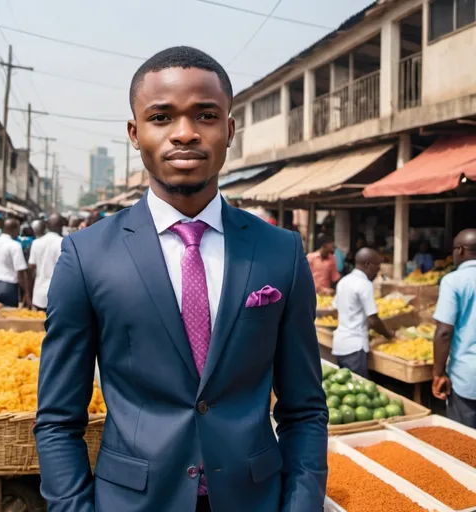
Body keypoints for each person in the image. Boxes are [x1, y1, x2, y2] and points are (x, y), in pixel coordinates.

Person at [35, 46, 327, 512]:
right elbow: (57, 420)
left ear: (229, 130)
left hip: (254, 498)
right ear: (135, 132)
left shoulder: (281, 253)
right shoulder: (87, 256)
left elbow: (305, 409)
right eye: (161, 117)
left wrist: (301, 505)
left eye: (206, 115)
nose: (185, 134)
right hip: (132, 500)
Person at [432, 229, 476, 428]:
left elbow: (444, 332)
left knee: (464, 444)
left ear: (459, 250)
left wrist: (438, 373)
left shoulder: (453, 281)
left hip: (467, 377)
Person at [332, 248, 393, 378]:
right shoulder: (364, 284)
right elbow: (373, 319)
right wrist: (389, 335)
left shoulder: (344, 281)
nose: (378, 270)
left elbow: (339, 309)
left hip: (340, 344)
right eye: (377, 265)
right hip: (355, 348)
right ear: (367, 264)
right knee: (358, 389)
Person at [0, 219, 31, 308]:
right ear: (14, 229)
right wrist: (27, 293)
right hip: (9, 288)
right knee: (8, 318)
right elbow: (20, 271)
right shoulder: (15, 245)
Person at [28, 214, 64, 312]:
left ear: (47, 226)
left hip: (38, 295)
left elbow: (31, 268)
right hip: (57, 296)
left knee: (36, 326)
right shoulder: (63, 243)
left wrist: (28, 293)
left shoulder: (36, 243)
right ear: (61, 226)